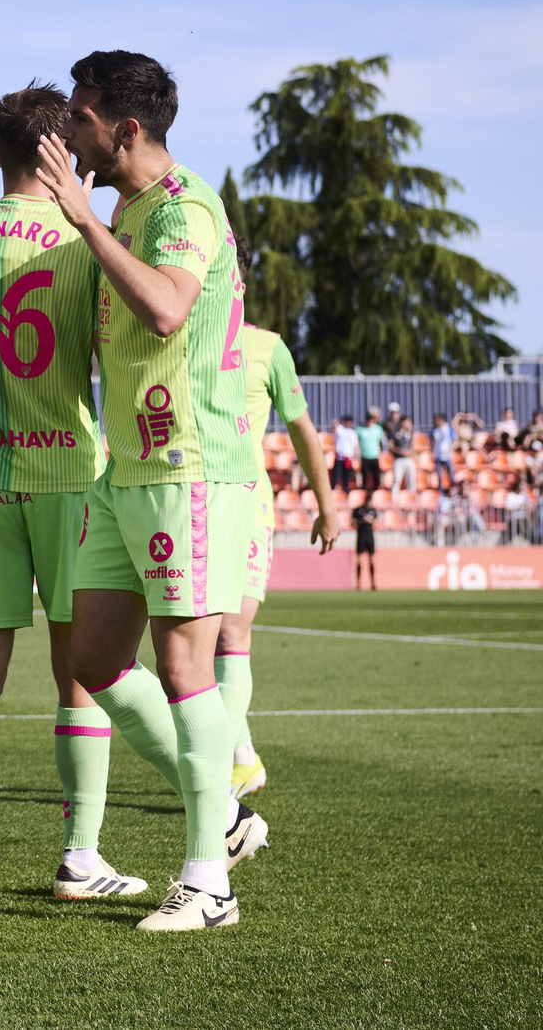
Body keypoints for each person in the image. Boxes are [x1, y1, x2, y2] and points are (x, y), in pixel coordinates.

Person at [38, 49, 266, 930]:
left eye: (83, 117)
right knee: (92, 662)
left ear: (125, 129)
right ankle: (227, 812)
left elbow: (169, 308)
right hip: (122, 470)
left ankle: (208, 881)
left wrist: (83, 223)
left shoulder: (183, 208)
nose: (70, 132)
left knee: (180, 666)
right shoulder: (128, 210)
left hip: (190, 470)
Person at [0, 81, 146, 911]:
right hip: (69, 478)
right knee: (81, 674)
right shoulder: (85, 239)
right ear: (64, 151)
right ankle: (80, 854)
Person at [216, 237, 341, 803]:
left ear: (236, 281)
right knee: (191, 645)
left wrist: (327, 504)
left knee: (229, 633)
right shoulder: (182, 338)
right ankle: (242, 757)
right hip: (191, 502)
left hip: (248, 505)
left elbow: (302, 430)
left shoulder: (267, 349)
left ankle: (222, 766)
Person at [356, 407, 384, 492]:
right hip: (365, 456)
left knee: (376, 476)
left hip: (375, 456)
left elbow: (382, 442)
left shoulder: (378, 429)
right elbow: (357, 444)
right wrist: (358, 456)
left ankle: (376, 492)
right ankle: (364, 493)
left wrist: (382, 454)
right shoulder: (360, 429)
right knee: (365, 476)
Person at [389, 416, 418, 495]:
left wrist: (410, 452)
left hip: (408, 459)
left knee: (411, 479)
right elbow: (390, 446)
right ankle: (394, 498)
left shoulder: (410, 433)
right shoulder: (395, 433)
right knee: (397, 479)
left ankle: (411, 497)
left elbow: (413, 446)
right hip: (398, 459)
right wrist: (400, 451)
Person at [352, 503, 377, 590]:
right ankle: (358, 583)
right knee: (359, 561)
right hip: (361, 536)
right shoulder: (358, 510)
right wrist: (362, 520)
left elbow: (377, 522)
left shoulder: (373, 510)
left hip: (370, 536)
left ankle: (373, 583)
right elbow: (353, 522)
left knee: (371, 561)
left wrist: (370, 520)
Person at [331, 414, 359, 492]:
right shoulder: (340, 430)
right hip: (340, 457)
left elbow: (355, 445)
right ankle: (333, 490)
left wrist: (356, 457)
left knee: (347, 477)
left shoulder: (353, 433)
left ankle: (346, 492)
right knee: (336, 476)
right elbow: (333, 423)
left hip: (348, 458)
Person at [432, 413, 456, 492]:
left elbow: (455, 440)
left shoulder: (448, 429)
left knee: (451, 474)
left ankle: (453, 488)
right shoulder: (434, 430)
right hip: (438, 455)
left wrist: (450, 448)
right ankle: (440, 490)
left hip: (447, 455)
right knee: (439, 475)